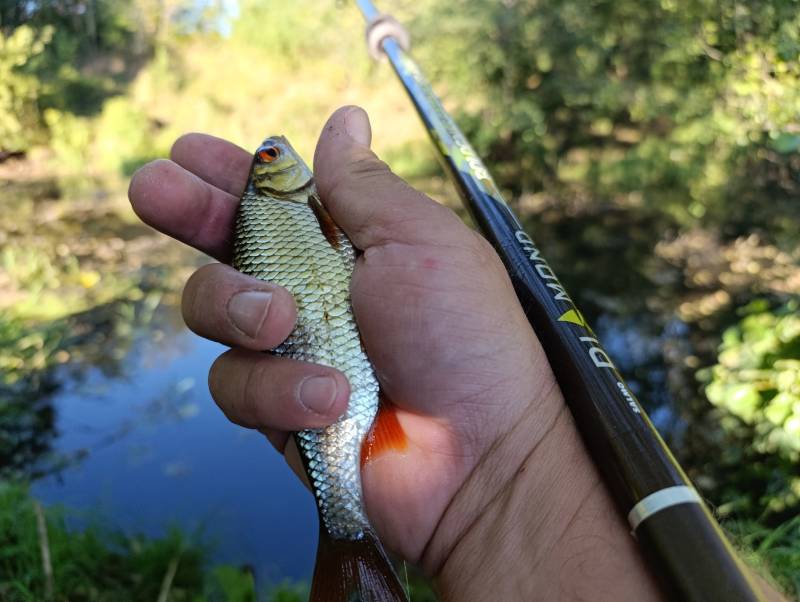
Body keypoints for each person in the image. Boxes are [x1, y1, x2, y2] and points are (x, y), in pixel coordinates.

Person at [128, 106, 775, 600]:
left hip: (386, 416)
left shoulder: (296, 213)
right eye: (273, 156)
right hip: (378, 428)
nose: (279, 156)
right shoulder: (286, 211)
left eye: (268, 155)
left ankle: (348, 535)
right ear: (282, 178)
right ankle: (349, 532)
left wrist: (507, 474)